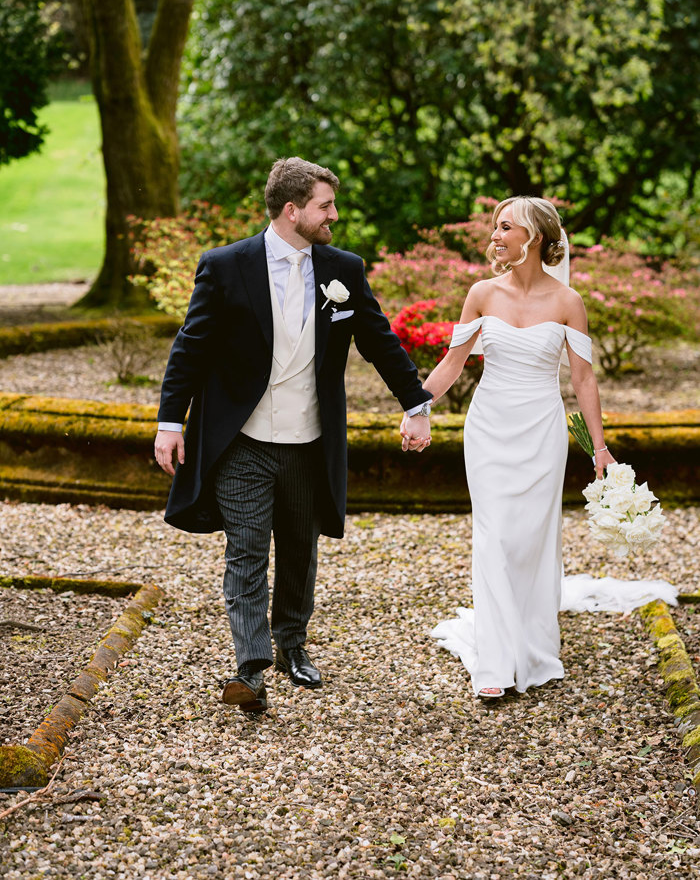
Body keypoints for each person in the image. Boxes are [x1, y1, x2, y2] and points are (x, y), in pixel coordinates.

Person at [154, 157, 433, 714]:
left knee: (300, 550)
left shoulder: (343, 269)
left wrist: (416, 404)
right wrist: (169, 421)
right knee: (248, 549)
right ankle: (250, 670)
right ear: (292, 210)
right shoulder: (225, 266)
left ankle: (291, 643)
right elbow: (192, 345)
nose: (335, 215)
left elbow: (378, 340)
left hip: (309, 441)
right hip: (242, 441)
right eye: (325, 206)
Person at [400, 196, 616, 699]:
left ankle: (533, 644)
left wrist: (598, 449)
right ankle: (495, 664)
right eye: (494, 228)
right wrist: (417, 409)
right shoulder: (481, 293)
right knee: (494, 537)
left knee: (532, 539)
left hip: (541, 431)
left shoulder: (568, 303)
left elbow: (582, 378)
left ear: (535, 237)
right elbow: (453, 363)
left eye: (504, 228)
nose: (494, 236)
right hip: (490, 428)